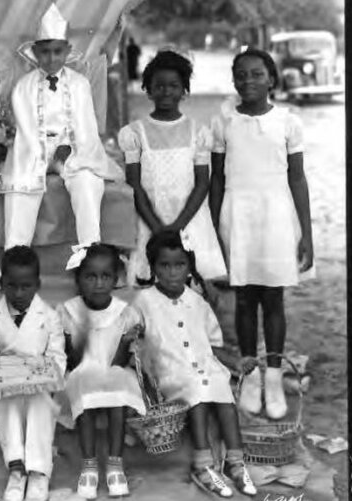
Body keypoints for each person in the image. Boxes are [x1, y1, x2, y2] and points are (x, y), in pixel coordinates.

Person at [209, 49, 314, 419]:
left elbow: (297, 178)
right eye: (241, 75)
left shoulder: (288, 121)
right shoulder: (224, 122)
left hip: (276, 216)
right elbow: (218, 179)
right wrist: (214, 230)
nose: (248, 81)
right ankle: (250, 375)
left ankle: (273, 376)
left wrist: (307, 234)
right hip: (238, 215)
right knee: (242, 298)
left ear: (271, 78)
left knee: (272, 298)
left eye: (256, 74)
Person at [135, 231, 257, 498]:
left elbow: (213, 345)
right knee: (196, 390)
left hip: (205, 366)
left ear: (189, 267)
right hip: (171, 371)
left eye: (179, 265)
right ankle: (203, 463)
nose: (172, 272)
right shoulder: (143, 301)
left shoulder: (198, 302)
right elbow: (134, 336)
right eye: (164, 266)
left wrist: (236, 362)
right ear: (153, 267)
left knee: (222, 390)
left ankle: (235, 462)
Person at [0, 3, 121, 251]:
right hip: (33, 152)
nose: (51, 58)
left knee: (87, 183)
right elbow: (26, 129)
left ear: (67, 51)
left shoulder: (80, 84)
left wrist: (70, 150)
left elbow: (86, 127)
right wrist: (43, 155)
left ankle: (90, 252)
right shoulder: (24, 86)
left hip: (71, 153)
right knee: (21, 190)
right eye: (45, 52)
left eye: (57, 51)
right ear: (35, 52)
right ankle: (16, 254)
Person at [118, 50, 226, 285]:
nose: (166, 91)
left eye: (174, 85)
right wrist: (158, 228)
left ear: (184, 90)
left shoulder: (198, 133)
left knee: (191, 288)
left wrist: (178, 227)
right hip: (148, 220)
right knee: (149, 286)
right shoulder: (134, 133)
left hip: (189, 220)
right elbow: (134, 183)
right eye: (159, 86)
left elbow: (202, 183)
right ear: (148, 89)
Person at [57, 243, 145, 499]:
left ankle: (115, 463)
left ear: (115, 279)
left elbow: (118, 362)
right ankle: (89, 465)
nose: (98, 283)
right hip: (81, 371)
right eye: (90, 276)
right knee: (84, 383)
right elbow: (72, 362)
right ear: (78, 279)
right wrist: (77, 334)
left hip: (113, 370)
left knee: (117, 386)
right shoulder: (68, 311)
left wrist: (128, 341)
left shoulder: (124, 312)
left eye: (105, 276)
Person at [0, 246, 65, 501]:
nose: (18, 293)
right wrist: (9, 375)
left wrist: (35, 374)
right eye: (12, 286)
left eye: (26, 286)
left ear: (37, 284)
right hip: (5, 387)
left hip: (40, 387)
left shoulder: (49, 316)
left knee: (40, 402)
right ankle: (16, 470)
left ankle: (39, 471)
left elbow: (58, 360)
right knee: (6, 401)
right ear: (2, 283)